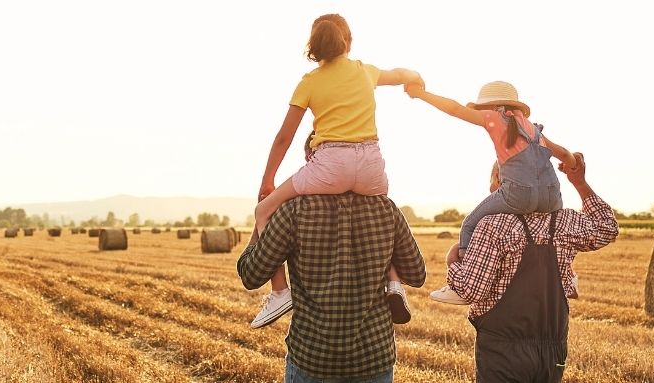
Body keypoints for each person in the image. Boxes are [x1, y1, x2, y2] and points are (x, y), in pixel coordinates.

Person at [249, 13, 424, 329]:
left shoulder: (310, 82)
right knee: (384, 213)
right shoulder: (364, 71)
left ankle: (278, 292)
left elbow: (285, 137)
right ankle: (394, 283)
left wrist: (268, 180)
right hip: (372, 164)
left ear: (314, 48)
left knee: (264, 210)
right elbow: (400, 73)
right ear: (349, 42)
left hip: (330, 164)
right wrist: (416, 78)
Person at [442, 153, 617, 381]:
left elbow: (472, 290)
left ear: (501, 179)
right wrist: (580, 182)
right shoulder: (565, 221)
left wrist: (453, 264)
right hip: (553, 351)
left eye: (492, 181)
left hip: (502, 351)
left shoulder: (492, 225)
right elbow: (607, 227)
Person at [405, 80, 580, 288]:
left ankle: (464, 282)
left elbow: (453, 108)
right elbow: (561, 152)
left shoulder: (494, 117)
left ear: (493, 106)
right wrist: (573, 164)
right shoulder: (533, 130)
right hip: (552, 196)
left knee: (470, 224)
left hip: (518, 194)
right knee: (552, 231)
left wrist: (421, 94)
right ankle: (568, 278)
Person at [237, 193, 426, 382]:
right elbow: (416, 275)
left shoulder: (294, 210)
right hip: (374, 356)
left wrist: (262, 218)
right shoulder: (386, 208)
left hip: (312, 357)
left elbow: (251, 275)